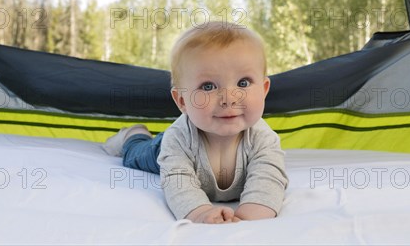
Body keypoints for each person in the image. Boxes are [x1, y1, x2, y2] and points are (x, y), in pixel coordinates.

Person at [102, 22, 288, 224]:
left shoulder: (264, 139)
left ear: (264, 89)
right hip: (162, 148)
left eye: (243, 83)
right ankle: (134, 134)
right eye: (208, 86)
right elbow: (178, 181)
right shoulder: (177, 140)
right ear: (182, 101)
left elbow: (268, 178)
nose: (229, 98)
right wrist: (200, 212)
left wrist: (249, 216)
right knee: (134, 155)